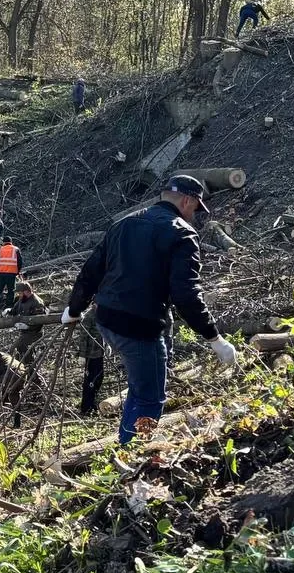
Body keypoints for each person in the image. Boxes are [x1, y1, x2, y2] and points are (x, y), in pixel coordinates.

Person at [61, 174, 237, 445]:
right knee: (150, 398)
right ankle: (132, 455)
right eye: (195, 208)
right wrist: (214, 338)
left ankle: (126, 440)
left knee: (143, 381)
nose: (194, 215)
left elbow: (90, 271)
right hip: (139, 327)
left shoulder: (123, 223)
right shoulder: (181, 233)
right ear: (187, 200)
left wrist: (74, 309)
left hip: (107, 319)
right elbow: (186, 294)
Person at [75, 307, 107, 416]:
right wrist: (82, 355)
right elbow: (83, 337)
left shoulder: (102, 313)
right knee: (90, 382)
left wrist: (107, 345)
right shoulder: (89, 316)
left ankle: (93, 404)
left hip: (99, 353)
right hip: (90, 355)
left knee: (98, 378)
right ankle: (86, 408)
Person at [6, 280, 47, 362]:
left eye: (20, 293)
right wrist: (8, 311)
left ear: (26, 292)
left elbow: (40, 321)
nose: (19, 295)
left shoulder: (37, 303)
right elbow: (15, 310)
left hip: (34, 332)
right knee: (22, 350)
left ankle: (28, 366)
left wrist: (28, 326)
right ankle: (27, 365)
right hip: (25, 332)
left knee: (14, 348)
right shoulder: (22, 300)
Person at [0, 235, 22, 309]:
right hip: (11, 273)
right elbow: (20, 262)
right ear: (11, 242)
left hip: (1, 273)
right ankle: (9, 305)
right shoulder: (16, 249)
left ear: (3, 242)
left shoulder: (0, 250)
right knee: (11, 290)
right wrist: (18, 271)